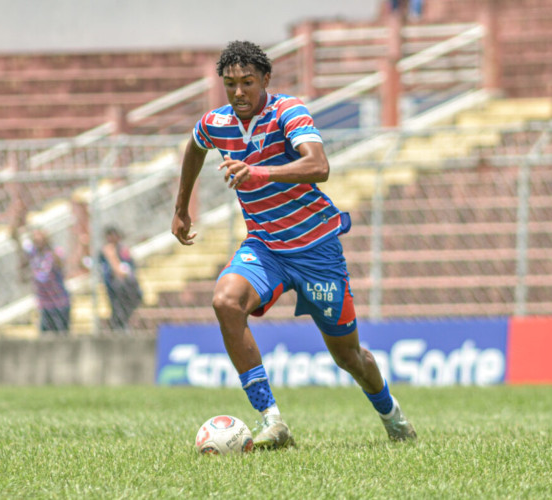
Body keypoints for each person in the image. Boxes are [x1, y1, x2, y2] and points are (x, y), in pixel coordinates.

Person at [171, 40, 416, 449]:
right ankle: (272, 420)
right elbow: (194, 147)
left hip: (316, 250)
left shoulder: (289, 111)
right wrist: (181, 209)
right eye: (230, 84)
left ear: (266, 79)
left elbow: (319, 166)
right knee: (225, 301)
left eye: (248, 82)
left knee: (349, 357)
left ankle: (394, 418)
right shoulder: (216, 122)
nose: (239, 92)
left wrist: (258, 173)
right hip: (265, 247)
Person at [10, 220, 71, 334]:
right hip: (44, 304)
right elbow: (14, 237)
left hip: (59, 303)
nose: (38, 239)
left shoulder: (54, 253)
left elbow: (61, 265)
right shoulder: (33, 253)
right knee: (45, 338)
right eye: (35, 237)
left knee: (62, 337)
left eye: (40, 236)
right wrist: (22, 229)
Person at [99, 226, 142, 332]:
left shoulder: (122, 250)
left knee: (124, 314)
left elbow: (123, 272)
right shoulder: (103, 253)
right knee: (116, 313)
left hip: (125, 291)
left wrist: (112, 256)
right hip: (112, 289)